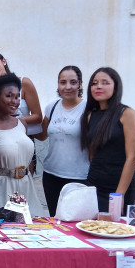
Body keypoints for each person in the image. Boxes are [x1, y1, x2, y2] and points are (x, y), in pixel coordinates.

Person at [0, 74, 47, 216]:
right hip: (0, 188)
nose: (15, 101)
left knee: (30, 231)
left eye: (17, 97)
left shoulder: (22, 124)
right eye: (9, 96)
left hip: (26, 187)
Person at [80, 67, 135, 212]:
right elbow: (92, 155)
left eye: (105, 82)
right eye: (94, 83)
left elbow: (132, 157)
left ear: (116, 86)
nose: (98, 86)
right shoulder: (89, 116)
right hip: (94, 185)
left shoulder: (127, 113)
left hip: (119, 186)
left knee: (115, 230)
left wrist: (119, 195)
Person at [36, 65, 90, 216]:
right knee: (55, 220)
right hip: (51, 175)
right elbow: (41, 134)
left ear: (80, 85)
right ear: (58, 85)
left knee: (76, 221)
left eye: (73, 82)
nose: (68, 87)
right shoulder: (52, 107)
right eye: (63, 82)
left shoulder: (88, 109)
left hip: (79, 177)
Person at [0, 48, 42, 135]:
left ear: (3, 61)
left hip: (24, 138)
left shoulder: (24, 83)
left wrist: (13, 121)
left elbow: (38, 117)